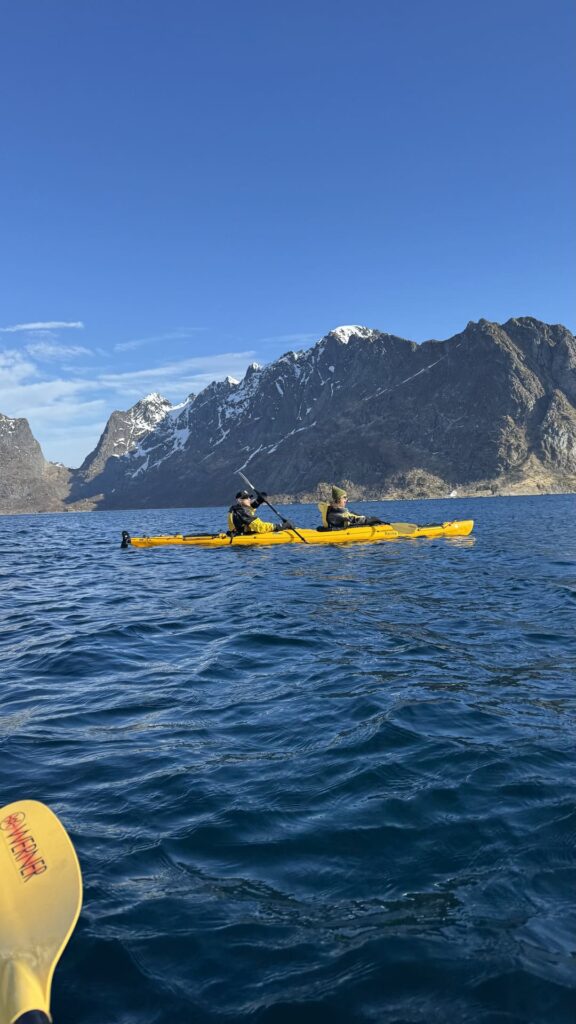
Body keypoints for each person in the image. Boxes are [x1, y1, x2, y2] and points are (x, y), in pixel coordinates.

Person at [228, 490, 295, 535]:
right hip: (243, 540)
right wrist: (282, 526)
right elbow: (260, 527)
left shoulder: (236, 508)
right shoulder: (241, 511)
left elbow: (250, 510)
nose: (249, 499)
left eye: (249, 497)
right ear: (239, 500)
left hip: (239, 534)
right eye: (246, 498)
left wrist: (259, 501)